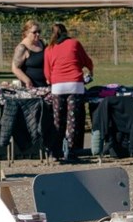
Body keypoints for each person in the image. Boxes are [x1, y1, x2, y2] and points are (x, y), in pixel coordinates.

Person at [42, 23, 93, 163]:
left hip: (58, 86)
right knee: (73, 120)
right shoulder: (74, 43)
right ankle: (70, 151)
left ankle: (55, 152)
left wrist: (51, 79)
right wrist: (90, 69)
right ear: (66, 31)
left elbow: (47, 72)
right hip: (75, 85)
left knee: (57, 120)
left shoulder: (49, 48)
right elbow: (86, 61)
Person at [10, 20, 47, 89]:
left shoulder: (42, 43)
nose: (38, 34)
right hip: (32, 87)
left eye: (39, 31)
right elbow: (15, 68)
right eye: (34, 32)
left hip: (46, 85)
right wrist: (27, 80)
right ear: (26, 33)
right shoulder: (22, 48)